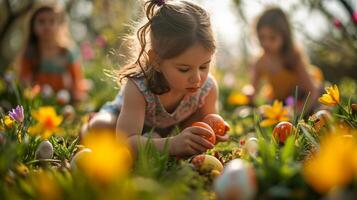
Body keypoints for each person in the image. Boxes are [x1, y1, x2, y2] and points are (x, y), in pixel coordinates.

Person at [82, 0, 228, 157]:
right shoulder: (139, 86)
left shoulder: (207, 88)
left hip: (170, 129)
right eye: (184, 69)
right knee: (100, 127)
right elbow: (125, 140)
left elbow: (208, 125)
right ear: (156, 61)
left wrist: (213, 133)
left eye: (204, 66)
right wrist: (172, 144)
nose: (197, 79)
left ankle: (154, 141)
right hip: (124, 123)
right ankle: (88, 125)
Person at [250, 7, 323, 113]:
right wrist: (249, 93)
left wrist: (297, 114)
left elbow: (312, 92)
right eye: (262, 37)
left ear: (284, 37)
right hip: (283, 100)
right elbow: (253, 89)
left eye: (272, 38)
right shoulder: (260, 62)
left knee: (319, 111)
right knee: (266, 112)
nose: (266, 43)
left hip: (305, 97)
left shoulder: (293, 58)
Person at [19, 4, 87, 102]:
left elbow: (77, 83)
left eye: (52, 21)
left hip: (63, 103)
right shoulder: (30, 53)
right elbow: (24, 83)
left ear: (59, 24)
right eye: (41, 21)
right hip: (37, 102)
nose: (47, 26)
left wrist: (76, 101)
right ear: (33, 26)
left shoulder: (67, 52)